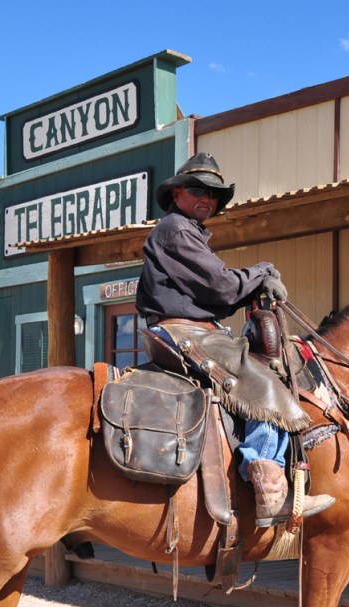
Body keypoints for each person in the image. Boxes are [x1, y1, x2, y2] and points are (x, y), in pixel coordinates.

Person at [136, 153, 334, 527]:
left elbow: (217, 295)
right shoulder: (176, 230)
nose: (207, 198)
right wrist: (263, 272)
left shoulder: (184, 232)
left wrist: (254, 284)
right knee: (262, 381)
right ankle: (268, 487)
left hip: (189, 328)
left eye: (214, 194)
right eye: (198, 189)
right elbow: (223, 287)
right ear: (176, 192)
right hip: (182, 331)